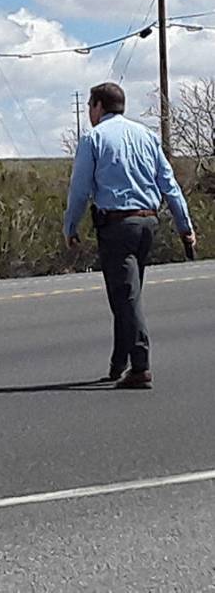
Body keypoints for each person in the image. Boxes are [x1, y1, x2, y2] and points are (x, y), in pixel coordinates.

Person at [63, 82, 196, 389]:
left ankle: (140, 365)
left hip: (117, 226)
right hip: (147, 224)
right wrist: (185, 228)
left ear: (98, 106)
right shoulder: (147, 137)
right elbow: (170, 186)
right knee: (127, 296)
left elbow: (80, 189)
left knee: (126, 297)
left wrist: (70, 227)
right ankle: (118, 362)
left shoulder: (93, 138)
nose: (89, 113)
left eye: (89, 107)